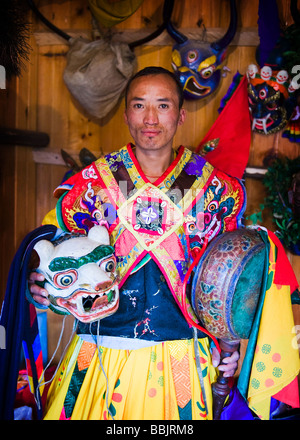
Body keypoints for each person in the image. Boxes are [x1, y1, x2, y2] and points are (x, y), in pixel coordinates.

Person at [28, 66, 249, 420]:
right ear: (127, 113)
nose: (150, 118)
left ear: (180, 115)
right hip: (97, 351)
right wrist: (38, 285)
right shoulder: (89, 188)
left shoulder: (215, 190)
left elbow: (233, 280)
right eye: (139, 105)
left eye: (162, 106)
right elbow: (49, 262)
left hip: (183, 356)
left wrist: (231, 340)